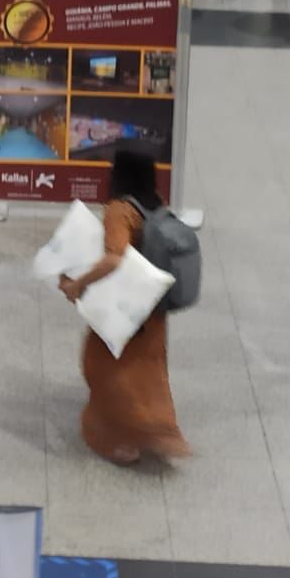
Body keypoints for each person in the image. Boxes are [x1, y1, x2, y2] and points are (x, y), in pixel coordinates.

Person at [59, 148, 189, 464]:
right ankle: (158, 433)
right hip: (154, 311)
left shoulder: (119, 210)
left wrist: (79, 284)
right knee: (148, 373)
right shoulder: (154, 204)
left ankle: (117, 440)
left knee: (103, 368)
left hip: (127, 310)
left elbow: (114, 259)